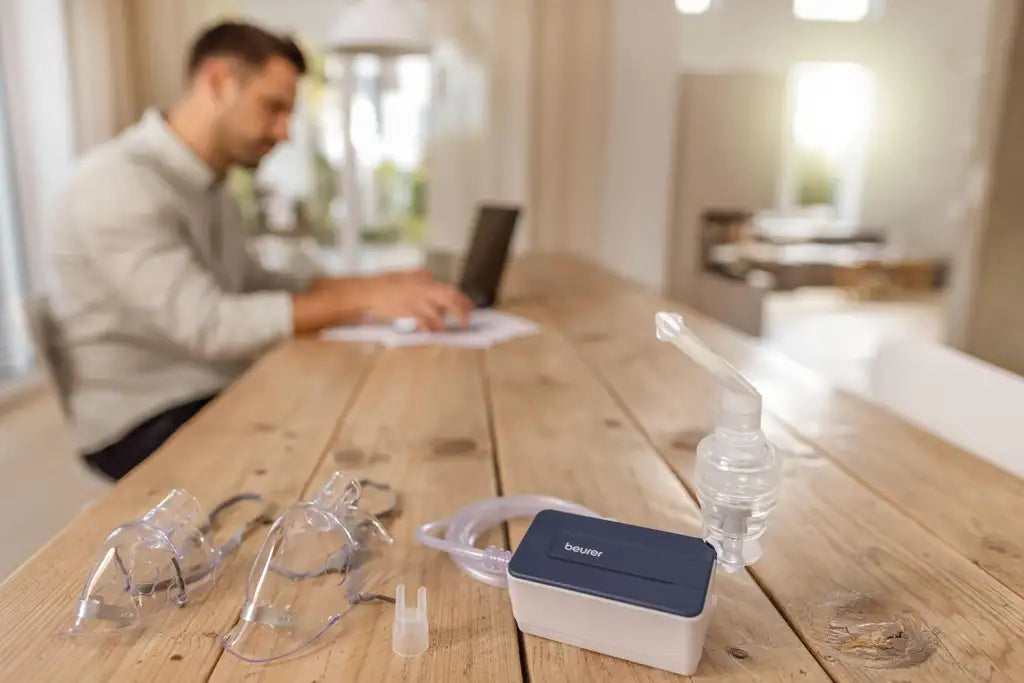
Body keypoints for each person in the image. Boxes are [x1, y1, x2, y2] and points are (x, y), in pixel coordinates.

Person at [50, 22, 473, 481]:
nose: (285, 132)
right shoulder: (117, 184)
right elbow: (210, 325)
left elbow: (251, 281)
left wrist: (376, 285)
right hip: (145, 417)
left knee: (372, 405)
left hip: (215, 384)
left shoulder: (210, 183)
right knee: (360, 435)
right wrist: (363, 299)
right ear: (217, 82)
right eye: (273, 107)